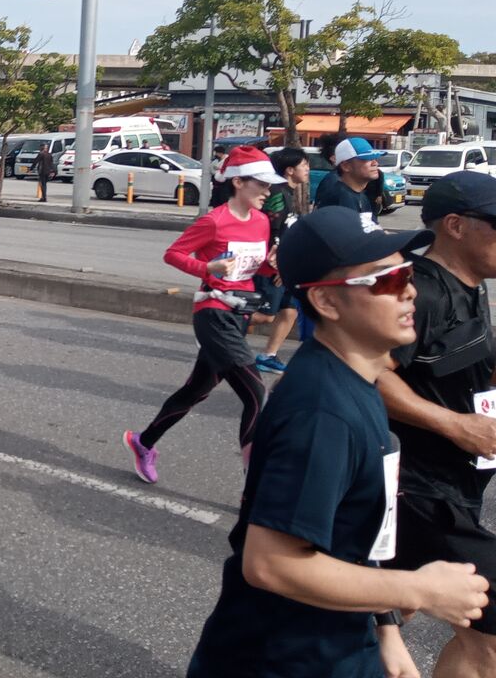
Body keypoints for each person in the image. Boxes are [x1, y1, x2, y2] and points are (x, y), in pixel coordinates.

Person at [186, 205, 490, 678]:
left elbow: (357, 537)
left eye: (408, 272)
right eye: (387, 279)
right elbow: (270, 564)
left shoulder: (357, 380)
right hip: (277, 660)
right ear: (327, 302)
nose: (410, 290)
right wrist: (417, 589)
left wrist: (386, 628)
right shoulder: (321, 412)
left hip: (339, 644)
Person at [376, 172, 496, 676]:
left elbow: (460, 364)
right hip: (418, 491)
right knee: (488, 635)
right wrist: (455, 425)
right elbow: (371, 372)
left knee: (384, 616)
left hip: (458, 485)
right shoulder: (419, 291)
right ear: (456, 225)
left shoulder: (473, 286)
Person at [124, 146, 281, 483]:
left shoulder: (262, 221)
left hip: (239, 314)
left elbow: (254, 268)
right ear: (238, 182)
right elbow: (173, 254)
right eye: (262, 184)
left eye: (270, 186)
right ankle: (254, 488)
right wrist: (207, 268)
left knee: (196, 390)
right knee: (256, 395)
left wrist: (273, 267)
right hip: (213, 314)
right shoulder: (214, 221)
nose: (268, 192)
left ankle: (144, 442)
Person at [254, 146, 311, 375]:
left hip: (288, 264)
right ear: (289, 170)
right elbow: (270, 231)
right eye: (304, 165)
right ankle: (220, 330)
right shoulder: (277, 192)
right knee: (265, 316)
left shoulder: (293, 192)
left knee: (290, 311)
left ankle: (268, 356)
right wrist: (278, 266)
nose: (308, 169)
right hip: (272, 266)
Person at [314, 136, 383, 226]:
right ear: (346, 166)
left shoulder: (361, 196)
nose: (375, 163)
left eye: (375, 158)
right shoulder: (339, 196)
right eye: (367, 158)